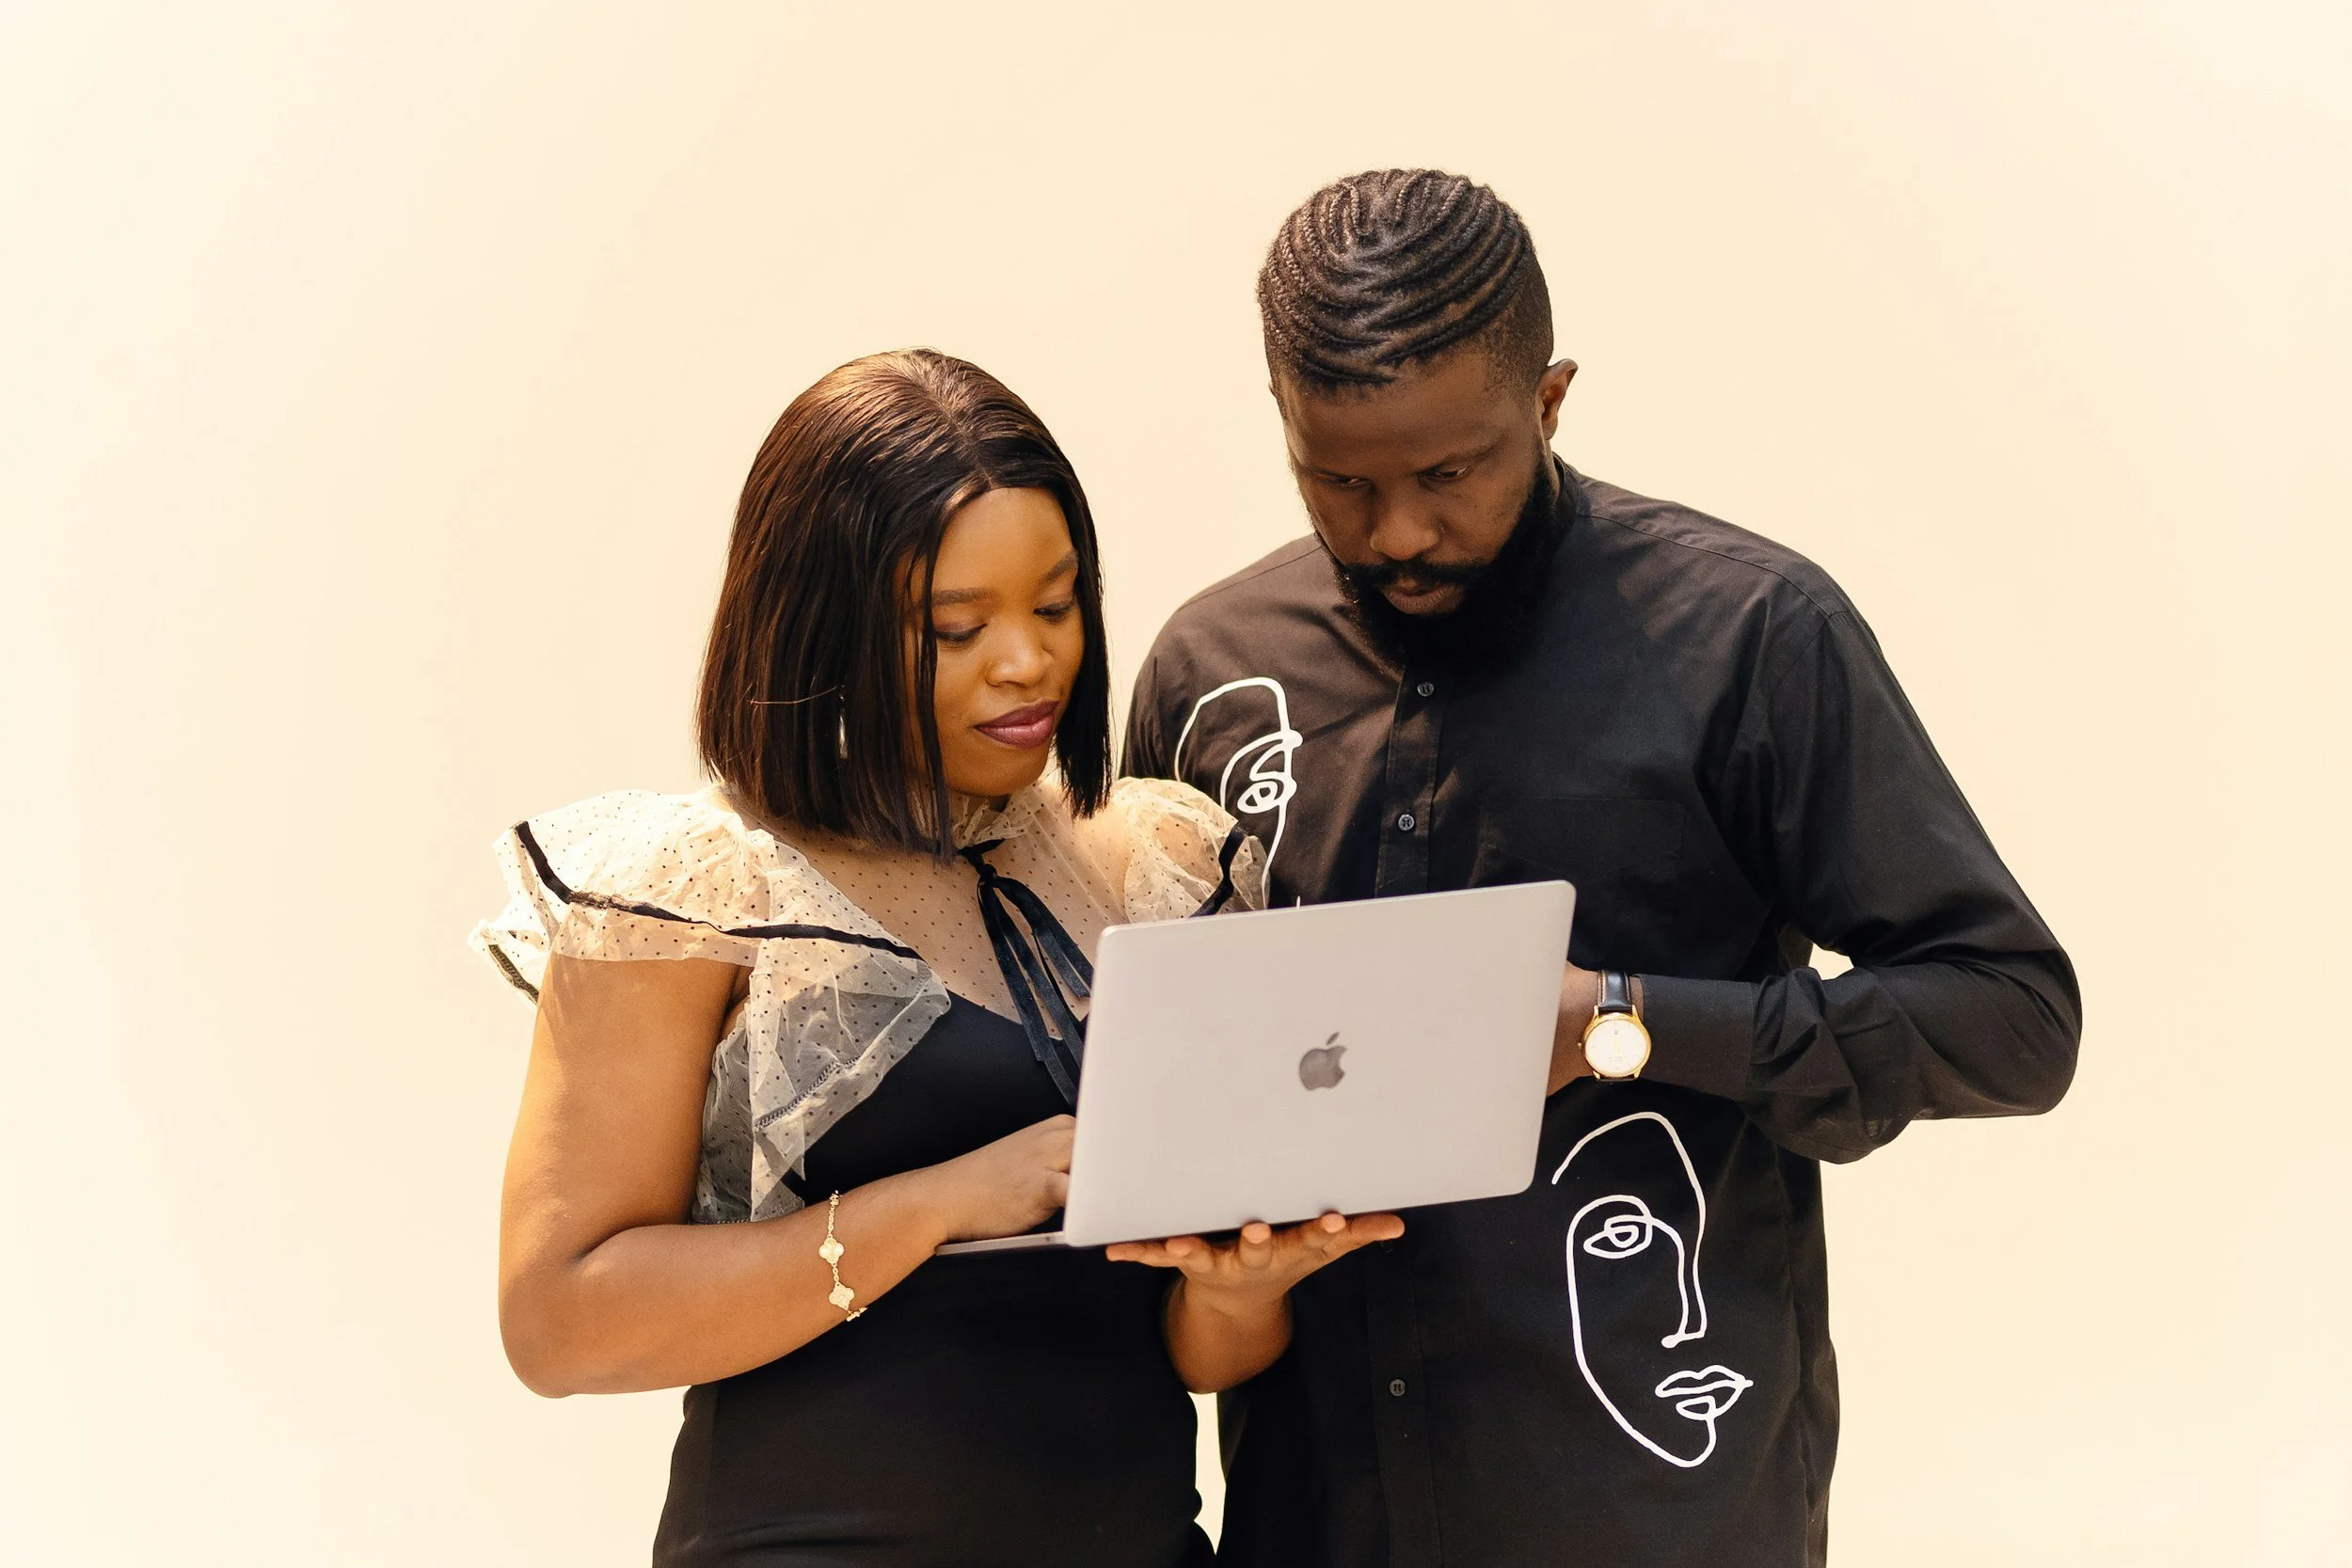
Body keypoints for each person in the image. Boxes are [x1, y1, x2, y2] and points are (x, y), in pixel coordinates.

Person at [1123, 170, 2083, 1567]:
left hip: (1659, 1511)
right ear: (1281, 416)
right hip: (1316, 1518)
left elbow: (2011, 1021)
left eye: (1450, 473)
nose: (1396, 532)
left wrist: (1622, 1024)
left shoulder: (1752, 637)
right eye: (1341, 481)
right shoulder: (1208, 673)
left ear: (1552, 399)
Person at [470, 349, 1395, 1567]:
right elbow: (559, 1322)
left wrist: (1242, 1286)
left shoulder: (1156, 864)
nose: (1028, 662)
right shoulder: (694, 891)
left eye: (1055, 607)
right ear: (817, 634)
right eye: (956, 628)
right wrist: (945, 1201)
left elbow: (1195, 1353)